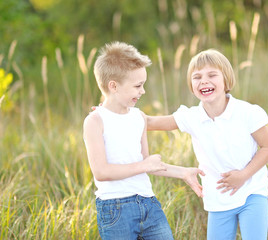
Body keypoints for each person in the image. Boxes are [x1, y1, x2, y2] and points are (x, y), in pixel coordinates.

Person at [147, 49, 268, 240]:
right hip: (217, 199)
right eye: (197, 77)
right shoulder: (191, 117)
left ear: (226, 80)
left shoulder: (247, 113)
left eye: (212, 75)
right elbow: (150, 122)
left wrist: (243, 175)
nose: (204, 81)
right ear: (191, 85)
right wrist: (110, 113)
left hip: (251, 192)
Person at [83, 41, 204, 240]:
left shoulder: (138, 117)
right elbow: (101, 172)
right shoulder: (95, 121)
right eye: (138, 86)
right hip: (115, 208)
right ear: (113, 86)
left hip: (148, 203)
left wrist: (183, 172)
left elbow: (149, 164)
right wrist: (143, 165)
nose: (143, 91)